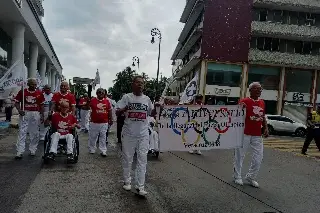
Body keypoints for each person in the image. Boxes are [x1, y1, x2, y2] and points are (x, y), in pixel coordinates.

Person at [116, 76, 155, 196]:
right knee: (127, 158)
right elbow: (117, 112)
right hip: (129, 134)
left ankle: (140, 186)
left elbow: (151, 113)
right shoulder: (126, 97)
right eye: (137, 83)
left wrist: (159, 107)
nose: (140, 85)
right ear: (132, 84)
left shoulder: (147, 99)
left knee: (142, 160)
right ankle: (127, 182)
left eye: (142, 83)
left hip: (143, 134)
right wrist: (125, 108)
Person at [233, 82, 268, 188]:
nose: (259, 91)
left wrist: (265, 128)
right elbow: (236, 114)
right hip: (244, 133)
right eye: (256, 89)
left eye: (260, 89)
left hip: (257, 134)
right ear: (250, 90)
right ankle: (237, 176)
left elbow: (263, 116)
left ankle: (251, 176)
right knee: (240, 155)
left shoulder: (262, 102)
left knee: (258, 157)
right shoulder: (244, 101)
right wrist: (240, 107)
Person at [14, 78, 45, 159]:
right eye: (33, 84)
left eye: (35, 84)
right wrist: (19, 110)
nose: (34, 86)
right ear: (28, 84)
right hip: (25, 113)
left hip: (35, 113)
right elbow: (16, 102)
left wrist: (42, 115)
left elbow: (42, 105)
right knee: (22, 132)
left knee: (34, 132)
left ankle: (33, 149)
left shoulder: (39, 93)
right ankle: (19, 151)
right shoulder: (23, 92)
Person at [88, 88, 113, 156]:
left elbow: (110, 110)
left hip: (104, 122)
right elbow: (89, 110)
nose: (101, 93)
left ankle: (103, 150)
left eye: (102, 92)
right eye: (99, 92)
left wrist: (111, 119)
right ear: (96, 93)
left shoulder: (107, 101)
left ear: (104, 94)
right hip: (94, 122)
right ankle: (92, 149)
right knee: (93, 136)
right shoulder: (93, 101)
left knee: (103, 137)